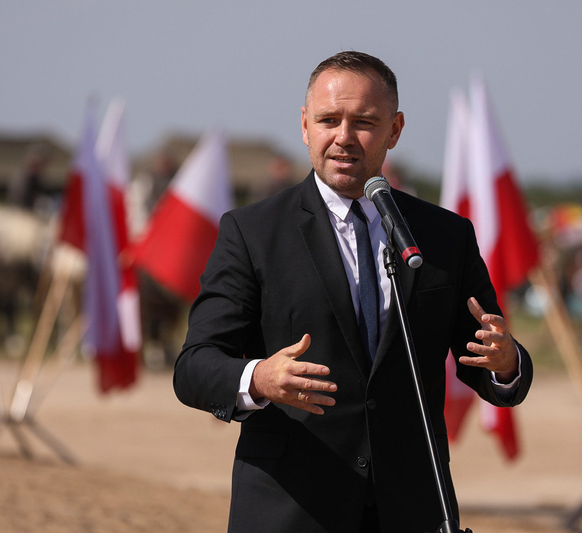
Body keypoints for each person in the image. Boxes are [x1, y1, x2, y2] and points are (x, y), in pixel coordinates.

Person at [174, 51, 533, 533]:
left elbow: (488, 359)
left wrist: (506, 363)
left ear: (395, 130)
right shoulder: (252, 232)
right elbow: (194, 366)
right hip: (292, 509)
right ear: (305, 125)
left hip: (410, 509)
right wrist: (259, 378)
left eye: (364, 122)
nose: (343, 137)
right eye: (328, 120)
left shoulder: (444, 235)